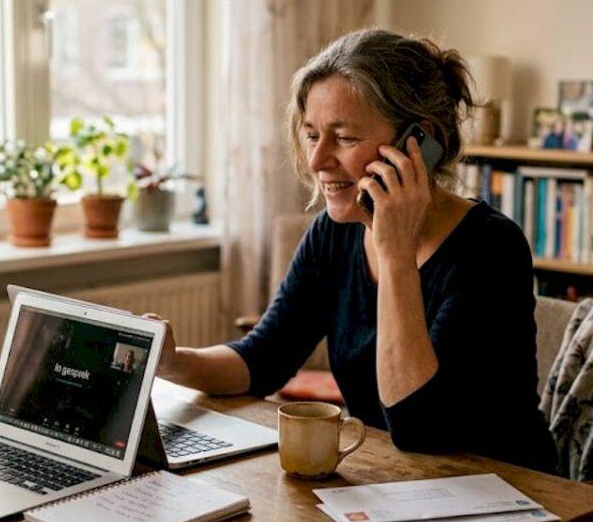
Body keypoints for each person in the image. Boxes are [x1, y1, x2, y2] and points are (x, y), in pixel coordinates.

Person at [149, 29, 557, 473]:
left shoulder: (490, 249)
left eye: (342, 138)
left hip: (508, 496)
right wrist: (171, 361)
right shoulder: (333, 235)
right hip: (402, 484)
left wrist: (395, 251)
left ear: (418, 143)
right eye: (311, 135)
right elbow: (261, 361)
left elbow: (419, 427)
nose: (316, 160)